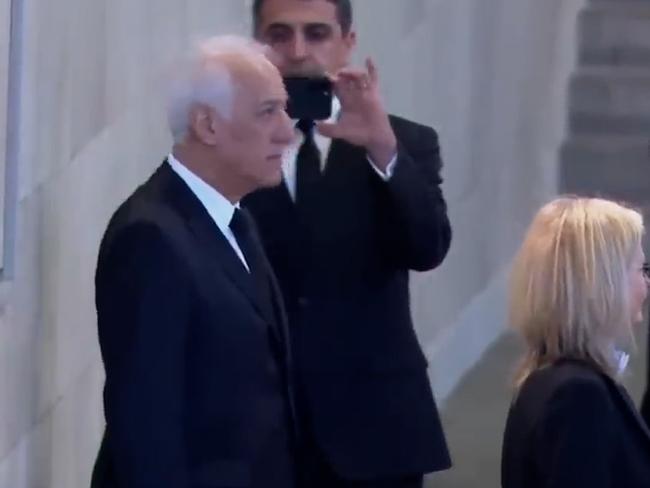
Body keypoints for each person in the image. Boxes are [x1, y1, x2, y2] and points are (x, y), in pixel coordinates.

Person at [244, 1, 452, 486]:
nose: (297, 51)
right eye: (279, 35)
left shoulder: (405, 140)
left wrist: (384, 151)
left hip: (376, 427)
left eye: (316, 34)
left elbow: (427, 248)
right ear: (257, 43)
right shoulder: (231, 142)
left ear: (348, 42)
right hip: (262, 426)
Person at [90, 36, 298, 488]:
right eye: (267, 112)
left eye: (284, 109)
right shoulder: (150, 240)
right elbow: (146, 428)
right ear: (208, 125)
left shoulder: (235, 218)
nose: (287, 132)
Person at [501, 197, 650, 488]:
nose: (647, 283)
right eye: (641, 270)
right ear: (604, 283)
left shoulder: (547, 378)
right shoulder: (578, 394)